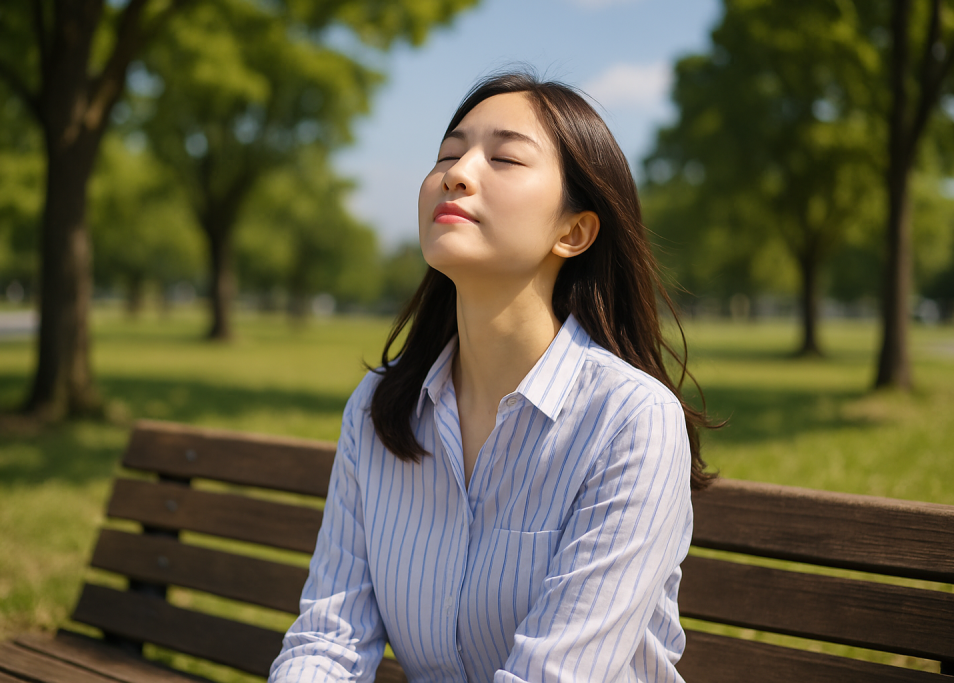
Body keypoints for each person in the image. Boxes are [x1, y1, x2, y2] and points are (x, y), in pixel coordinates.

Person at [269, 70, 713, 683]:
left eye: (504, 157)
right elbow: (328, 642)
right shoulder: (380, 407)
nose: (456, 172)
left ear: (574, 230)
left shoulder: (631, 421)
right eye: (448, 154)